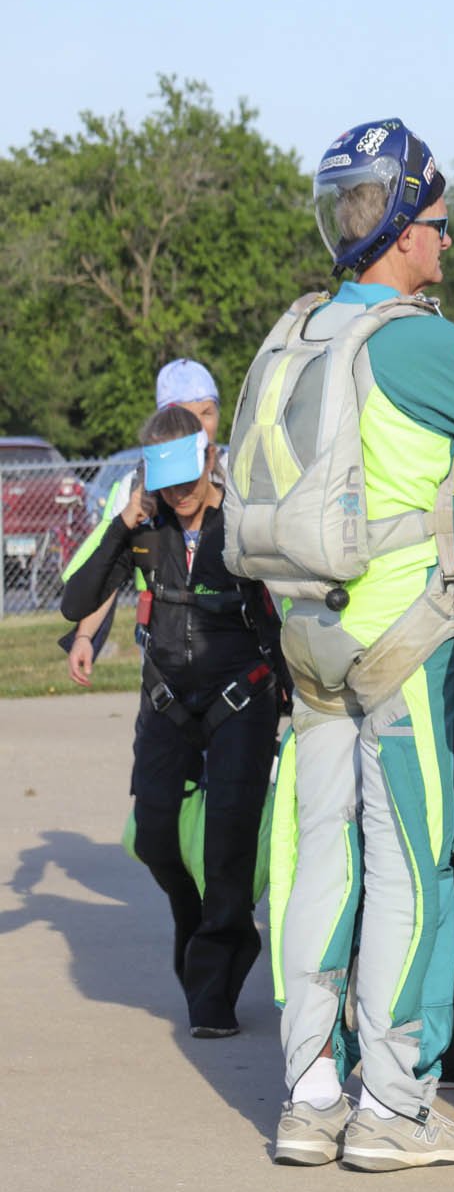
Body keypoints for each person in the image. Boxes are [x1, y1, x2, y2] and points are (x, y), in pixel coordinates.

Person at [233, 118, 454, 1171]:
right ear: (396, 231)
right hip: (401, 641)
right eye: (436, 225)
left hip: (307, 638)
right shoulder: (417, 340)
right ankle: (395, 1103)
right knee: (413, 872)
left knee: (311, 861)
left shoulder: (298, 330)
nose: (444, 245)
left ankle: (308, 1096)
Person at [60, 404, 282, 1038]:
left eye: (190, 481)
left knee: (228, 848)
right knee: (156, 835)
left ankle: (214, 983)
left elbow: (283, 605)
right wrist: (121, 525)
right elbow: (77, 599)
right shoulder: (143, 525)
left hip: (242, 694)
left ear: (211, 460)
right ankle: (194, 918)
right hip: (165, 700)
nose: (181, 497)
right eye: (168, 486)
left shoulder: (242, 520)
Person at [63, 359, 225, 681]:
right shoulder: (136, 487)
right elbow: (108, 568)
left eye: (208, 413)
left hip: (225, 638)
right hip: (164, 632)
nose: (200, 426)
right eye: (187, 415)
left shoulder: (240, 470)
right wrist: (85, 636)